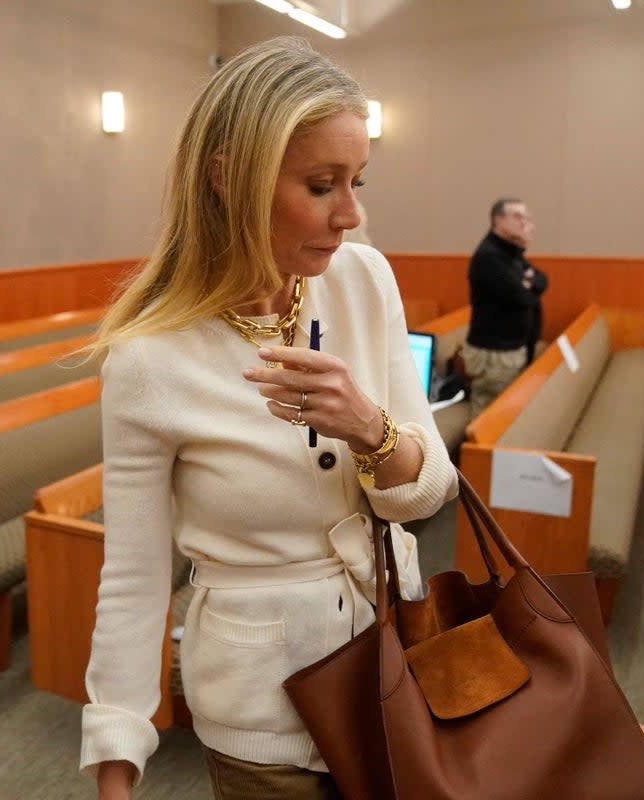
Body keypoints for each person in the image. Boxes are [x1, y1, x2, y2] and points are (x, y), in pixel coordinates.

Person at [80, 38, 457, 800]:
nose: (351, 214)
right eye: (322, 185)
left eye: (356, 181)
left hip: (398, 661)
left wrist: (369, 427)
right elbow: (135, 574)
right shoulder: (149, 358)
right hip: (261, 705)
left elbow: (429, 491)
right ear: (228, 178)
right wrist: (117, 756)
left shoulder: (363, 280)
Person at [460, 197, 548, 416]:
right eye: (517, 216)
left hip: (510, 349)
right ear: (498, 220)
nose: (525, 223)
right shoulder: (490, 256)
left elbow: (542, 279)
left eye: (526, 217)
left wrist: (529, 282)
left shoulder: (510, 253)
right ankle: (480, 452)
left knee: (502, 412)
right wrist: (527, 284)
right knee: (489, 414)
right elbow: (522, 298)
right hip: (495, 354)